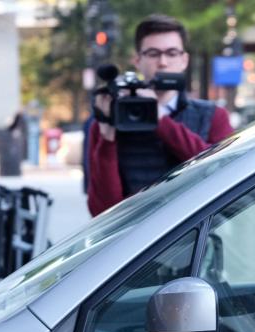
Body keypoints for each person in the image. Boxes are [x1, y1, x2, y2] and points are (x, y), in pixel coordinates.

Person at [87, 14, 233, 216]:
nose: (163, 62)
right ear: (138, 60)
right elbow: (101, 212)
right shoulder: (112, 121)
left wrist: (161, 120)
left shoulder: (213, 116)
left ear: (184, 60)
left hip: (199, 241)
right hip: (139, 242)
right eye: (153, 54)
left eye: (172, 53)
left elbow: (224, 176)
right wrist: (107, 138)